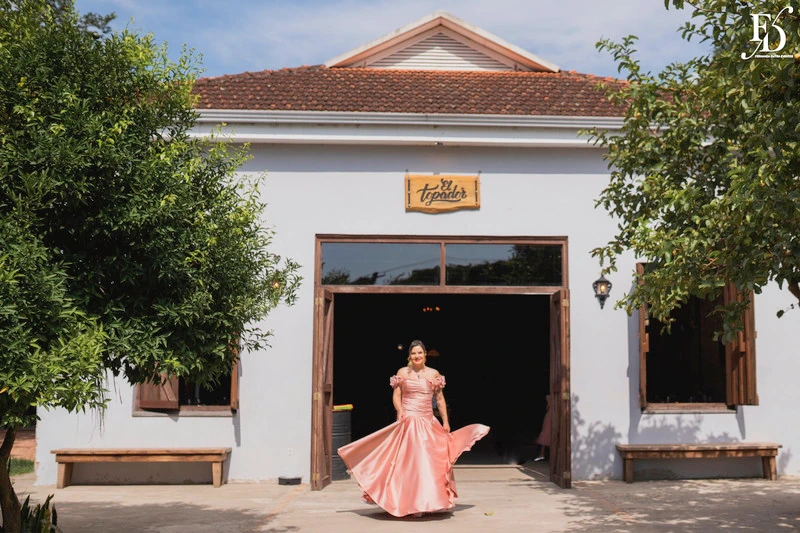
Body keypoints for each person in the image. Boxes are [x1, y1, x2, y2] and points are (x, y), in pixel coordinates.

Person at [337, 340, 490, 518]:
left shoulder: (434, 374)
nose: (417, 356)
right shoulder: (402, 372)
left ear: (425, 355)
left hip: (427, 422)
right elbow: (396, 395)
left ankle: (426, 501)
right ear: (410, 356)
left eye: (420, 353)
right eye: (414, 353)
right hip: (409, 420)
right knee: (407, 463)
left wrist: (446, 421)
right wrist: (400, 411)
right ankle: (406, 501)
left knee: (428, 462)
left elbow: (440, 400)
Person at [534, 394, 551, 462]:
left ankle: (542, 454)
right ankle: (546, 454)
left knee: (546, 433)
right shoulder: (555, 397)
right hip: (553, 416)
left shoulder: (549, 397)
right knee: (549, 434)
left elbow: (548, 407)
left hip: (549, 416)